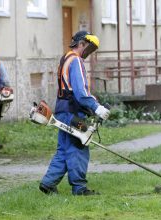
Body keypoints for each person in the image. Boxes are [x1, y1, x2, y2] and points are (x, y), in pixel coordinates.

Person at [39, 31, 110, 196]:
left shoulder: (66, 58)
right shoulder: (76, 61)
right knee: (79, 147)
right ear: (81, 43)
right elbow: (80, 92)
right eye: (89, 47)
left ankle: (48, 183)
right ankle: (79, 189)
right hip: (73, 114)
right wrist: (96, 107)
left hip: (63, 111)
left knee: (64, 149)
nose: (89, 52)